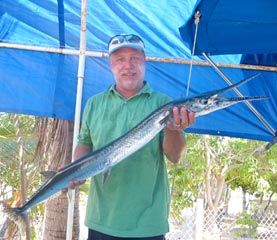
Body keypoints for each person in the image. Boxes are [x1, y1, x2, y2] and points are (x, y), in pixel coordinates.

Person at [71, 34, 195, 240]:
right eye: (120, 59)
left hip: (148, 225)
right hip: (100, 220)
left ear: (144, 62)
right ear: (111, 64)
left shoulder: (164, 104)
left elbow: (175, 157)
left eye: (134, 58)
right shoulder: (94, 103)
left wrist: (174, 129)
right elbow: (85, 142)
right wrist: (76, 169)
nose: (128, 65)